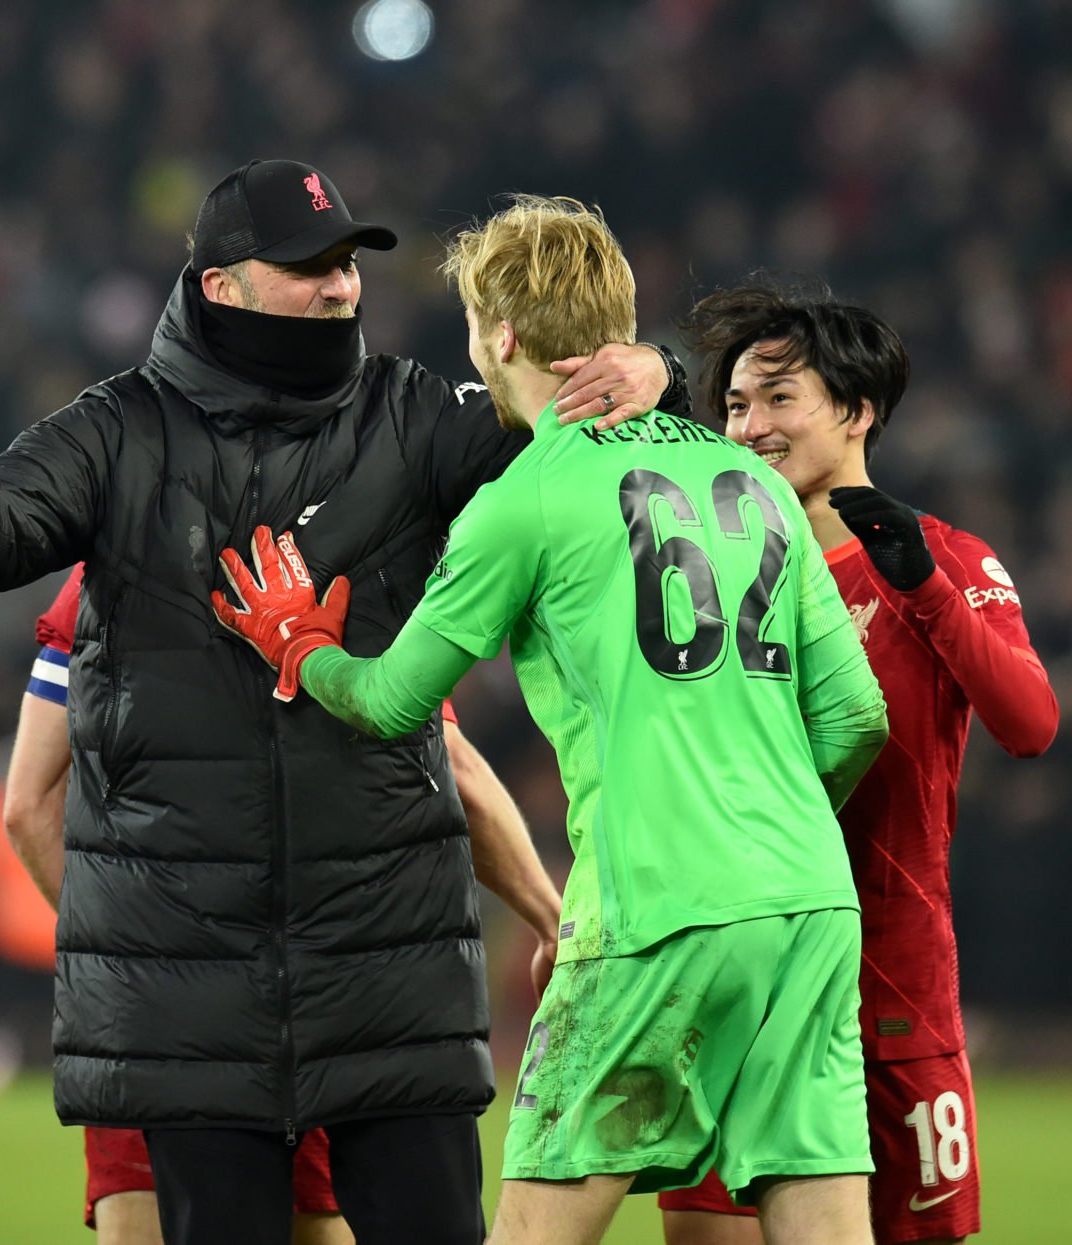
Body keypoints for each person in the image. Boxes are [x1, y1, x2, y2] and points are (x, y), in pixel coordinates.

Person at [0, 158, 680, 1244]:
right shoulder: (121, 428)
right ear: (222, 284)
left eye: (348, 264)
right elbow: (8, 525)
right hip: (193, 984)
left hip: (386, 959)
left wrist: (659, 373)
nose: (339, 287)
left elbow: (582, 436)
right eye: (308, 266)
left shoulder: (417, 414)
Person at [210, 195, 890, 1245]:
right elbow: (855, 716)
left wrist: (301, 646)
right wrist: (772, 819)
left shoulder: (524, 500)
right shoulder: (751, 479)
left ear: (505, 336)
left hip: (651, 911)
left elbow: (394, 704)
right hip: (806, 908)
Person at [657, 282, 1060, 1245]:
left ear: (857, 409)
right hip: (737, 969)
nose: (750, 426)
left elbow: (1032, 722)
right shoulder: (698, 581)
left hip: (894, 973)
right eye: (736, 405)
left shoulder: (944, 558)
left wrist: (922, 588)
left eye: (780, 397)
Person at [5, 565, 555, 1244]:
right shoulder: (344, 558)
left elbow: (27, 807)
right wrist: (550, 918)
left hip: (166, 1024)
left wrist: (142, 961)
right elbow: (450, 768)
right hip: (332, 996)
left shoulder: (104, 572)